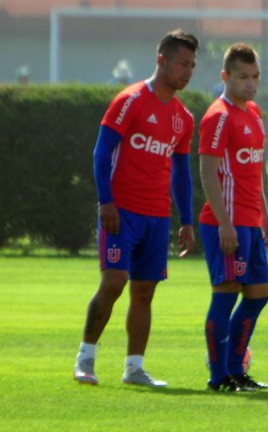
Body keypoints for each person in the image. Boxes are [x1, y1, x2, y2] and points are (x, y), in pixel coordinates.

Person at [73, 29, 198, 387]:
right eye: (182, 64)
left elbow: (180, 172)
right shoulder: (129, 100)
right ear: (161, 60)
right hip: (122, 212)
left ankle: (134, 368)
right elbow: (101, 152)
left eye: (192, 65)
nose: (187, 72)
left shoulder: (183, 119)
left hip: (157, 217)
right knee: (113, 282)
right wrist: (105, 201)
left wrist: (186, 220)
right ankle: (85, 359)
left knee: (145, 291)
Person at [198, 43, 268, 392]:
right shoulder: (219, 116)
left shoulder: (254, 112)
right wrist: (225, 222)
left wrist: (265, 215)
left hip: (250, 222)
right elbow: (208, 172)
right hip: (226, 224)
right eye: (243, 76)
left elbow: (252, 169)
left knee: (258, 295)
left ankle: (237, 370)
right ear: (225, 76)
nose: (250, 83)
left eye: (255, 76)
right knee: (226, 293)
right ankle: (219, 377)